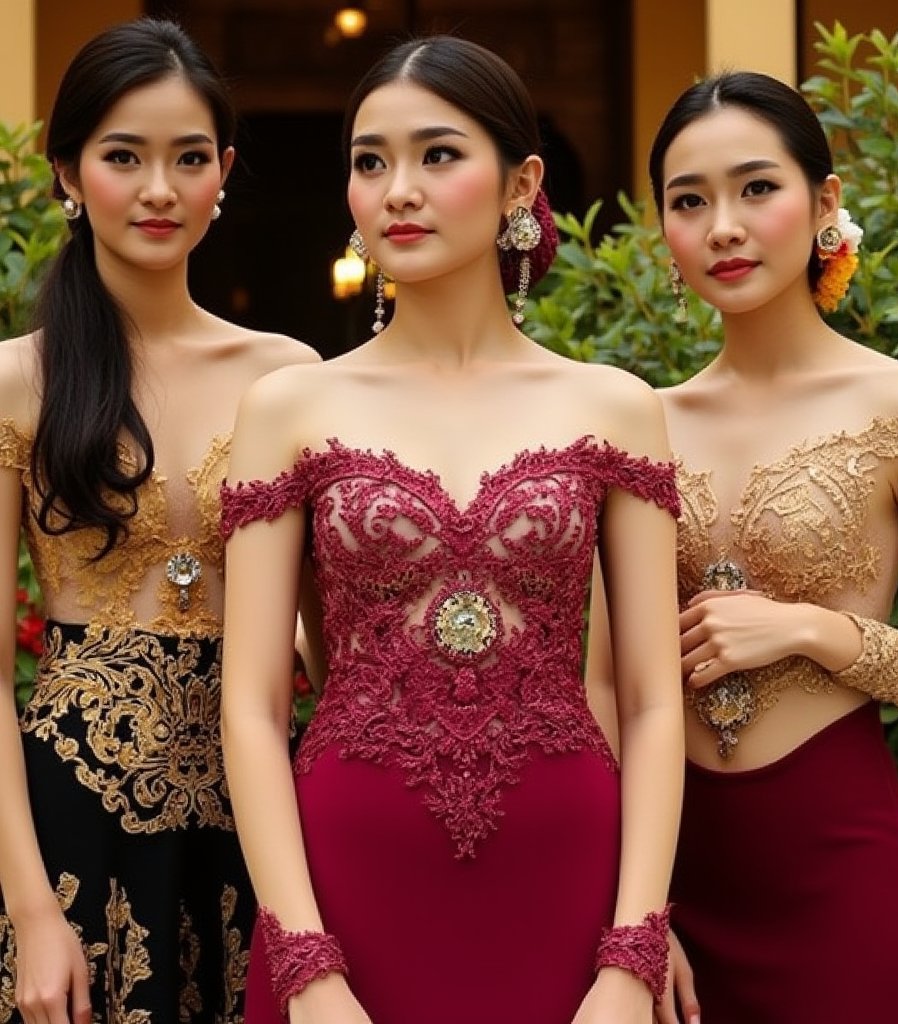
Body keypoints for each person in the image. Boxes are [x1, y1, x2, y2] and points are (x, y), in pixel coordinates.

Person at [219, 35, 684, 1024]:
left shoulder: (616, 407)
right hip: (346, 882)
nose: (398, 189)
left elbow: (649, 702)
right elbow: (253, 710)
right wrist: (303, 961)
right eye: (369, 161)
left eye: (438, 155)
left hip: (565, 883)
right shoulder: (287, 408)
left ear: (521, 183)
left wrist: (633, 950)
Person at [587, 70, 898, 1023]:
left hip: (840, 865)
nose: (724, 227)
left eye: (757, 188)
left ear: (825, 202)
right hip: (673, 871)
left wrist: (815, 633)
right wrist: (633, 919)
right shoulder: (637, 422)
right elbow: (606, 689)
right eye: (688, 201)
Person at [0, 18, 318, 1024]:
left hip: (260, 808)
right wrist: (30, 911)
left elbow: (330, 626)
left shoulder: (290, 376)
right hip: (71, 822)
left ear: (222, 172)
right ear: (67, 173)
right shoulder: (16, 383)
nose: (157, 190)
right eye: (122, 156)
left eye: (188, 159)